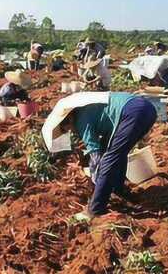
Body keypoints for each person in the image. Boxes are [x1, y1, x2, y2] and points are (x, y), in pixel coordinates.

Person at [41, 92, 157, 220]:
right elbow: (104, 145)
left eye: (67, 129)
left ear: (69, 119)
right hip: (145, 108)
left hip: (132, 112)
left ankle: (96, 209)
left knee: (109, 159)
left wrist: (95, 182)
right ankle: (118, 190)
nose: (71, 131)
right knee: (117, 153)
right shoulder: (88, 110)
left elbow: (97, 158)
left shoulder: (80, 121)